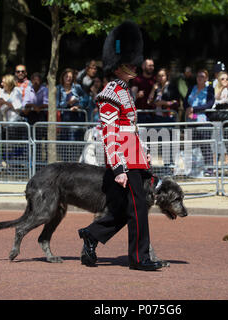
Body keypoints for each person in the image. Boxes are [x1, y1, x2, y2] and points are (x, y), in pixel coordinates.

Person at [77, 21, 163, 271]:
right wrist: (118, 168)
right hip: (124, 159)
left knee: (125, 211)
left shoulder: (124, 90)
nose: (134, 66)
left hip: (134, 155)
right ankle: (139, 258)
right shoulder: (110, 93)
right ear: (117, 64)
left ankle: (92, 235)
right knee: (138, 210)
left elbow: (130, 130)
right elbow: (109, 133)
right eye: (129, 61)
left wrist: (143, 158)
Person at [56, 68, 86, 146]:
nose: (68, 78)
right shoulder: (58, 88)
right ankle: (66, 158)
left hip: (76, 117)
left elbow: (85, 99)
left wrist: (78, 106)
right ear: (62, 77)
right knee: (64, 141)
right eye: (66, 76)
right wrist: (69, 103)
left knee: (74, 140)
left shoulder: (77, 87)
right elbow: (57, 104)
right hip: (64, 118)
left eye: (70, 76)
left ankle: (74, 158)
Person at [131, 58, 156, 123]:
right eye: (149, 65)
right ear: (143, 66)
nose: (151, 67)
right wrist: (137, 95)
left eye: (152, 65)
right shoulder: (137, 79)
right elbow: (131, 97)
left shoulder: (155, 79)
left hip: (154, 114)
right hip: (140, 114)